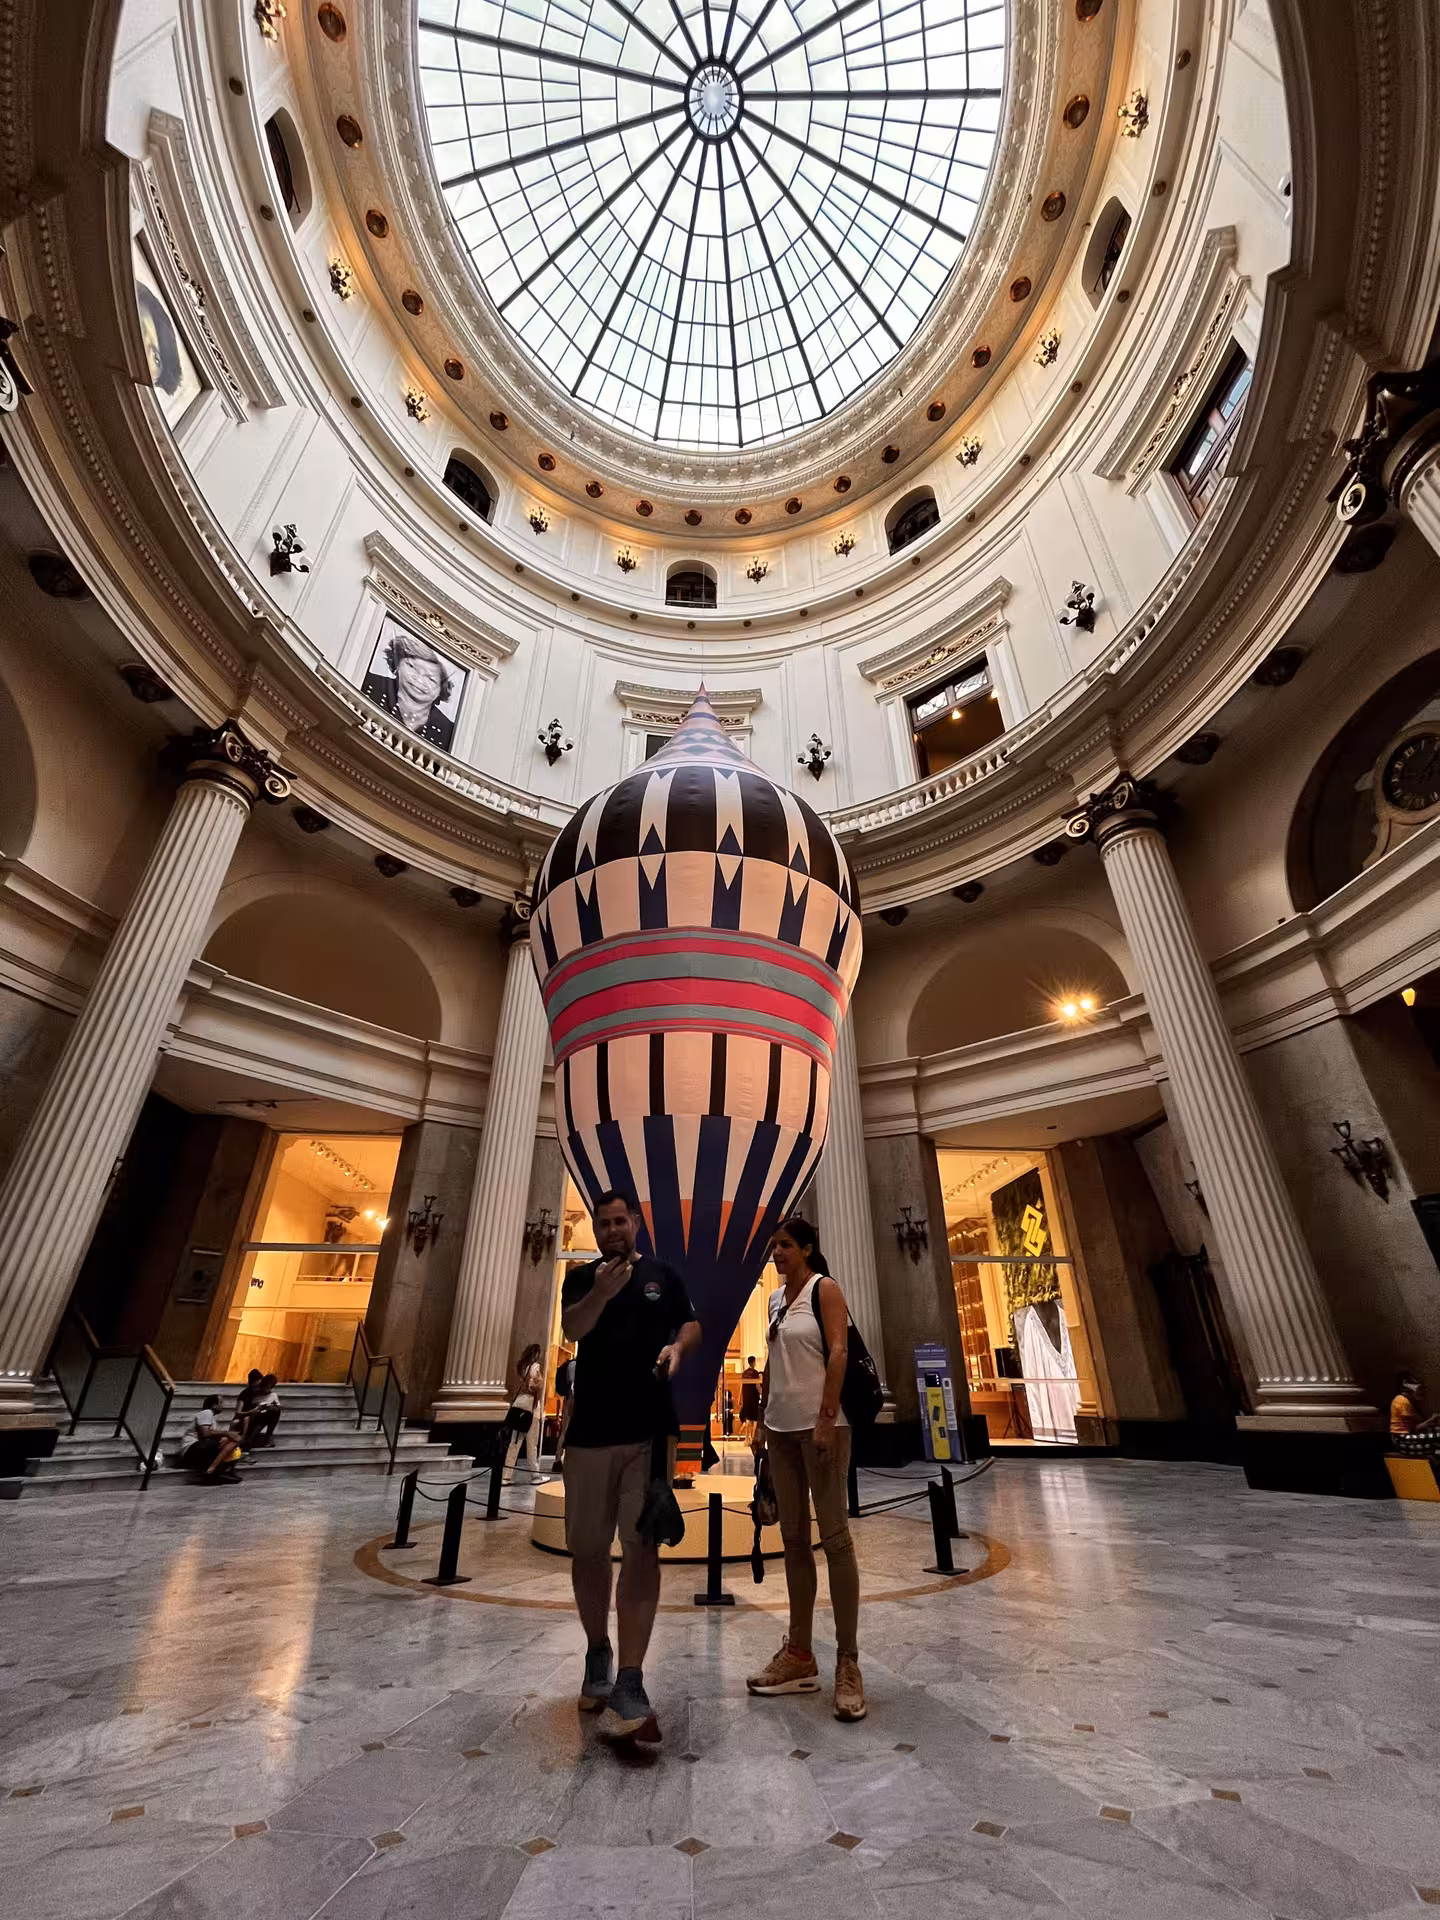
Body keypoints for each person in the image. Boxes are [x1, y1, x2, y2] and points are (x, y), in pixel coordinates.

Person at [560, 1189, 700, 1742]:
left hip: (648, 1433)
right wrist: (598, 1292)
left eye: (620, 1220)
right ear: (594, 1230)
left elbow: (690, 1323)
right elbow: (573, 1330)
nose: (612, 1229)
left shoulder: (663, 1276)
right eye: (603, 1222)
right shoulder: (581, 1277)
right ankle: (598, 1650)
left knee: (641, 1551)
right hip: (591, 1433)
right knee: (588, 1548)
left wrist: (679, 1349)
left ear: (637, 1223)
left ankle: (631, 1678)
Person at [746, 1215, 865, 1722]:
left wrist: (824, 1416)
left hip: (823, 1431)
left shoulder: (825, 1288)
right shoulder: (775, 1300)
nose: (777, 1254)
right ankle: (799, 1653)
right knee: (793, 1539)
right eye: (774, 1246)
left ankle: (848, 1660)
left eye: (786, 1246)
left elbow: (838, 1352)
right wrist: (761, 1420)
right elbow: (775, 1362)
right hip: (780, 1431)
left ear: (808, 1250)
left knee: (834, 1538)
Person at [362, 629, 458, 751]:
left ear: (441, 690)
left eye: (431, 679)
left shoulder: (448, 730)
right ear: (397, 665)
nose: (419, 679)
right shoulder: (369, 683)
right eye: (412, 667)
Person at [502, 1342, 545, 1479]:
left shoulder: (522, 1367)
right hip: (531, 1407)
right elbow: (535, 1386)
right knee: (532, 1443)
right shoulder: (535, 1367)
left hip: (520, 1404)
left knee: (515, 1442)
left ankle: (506, 1475)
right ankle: (535, 1474)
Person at [178, 1396, 244, 1483]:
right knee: (229, 1439)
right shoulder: (207, 1412)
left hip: (201, 1449)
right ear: (214, 1405)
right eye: (220, 1403)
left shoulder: (211, 1417)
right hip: (191, 1450)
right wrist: (227, 1433)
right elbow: (205, 1434)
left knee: (232, 1441)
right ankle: (215, 1471)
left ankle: (215, 1469)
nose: (222, 1406)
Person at [553, 1348, 576, 1469]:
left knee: (566, 1430)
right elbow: (573, 1385)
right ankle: (558, 1460)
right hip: (572, 1401)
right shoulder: (574, 1365)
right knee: (566, 1430)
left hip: (569, 1400)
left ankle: (559, 1459)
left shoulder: (572, 1364)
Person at [739, 1355, 762, 1440]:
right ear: (753, 1362)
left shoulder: (744, 1373)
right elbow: (757, 1385)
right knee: (755, 1418)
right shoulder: (755, 1372)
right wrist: (762, 1394)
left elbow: (742, 1385)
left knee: (748, 1418)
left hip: (746, 1397)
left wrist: (740, 1398)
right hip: (753, 1397)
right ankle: (752, 1437)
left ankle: (746, 1438)